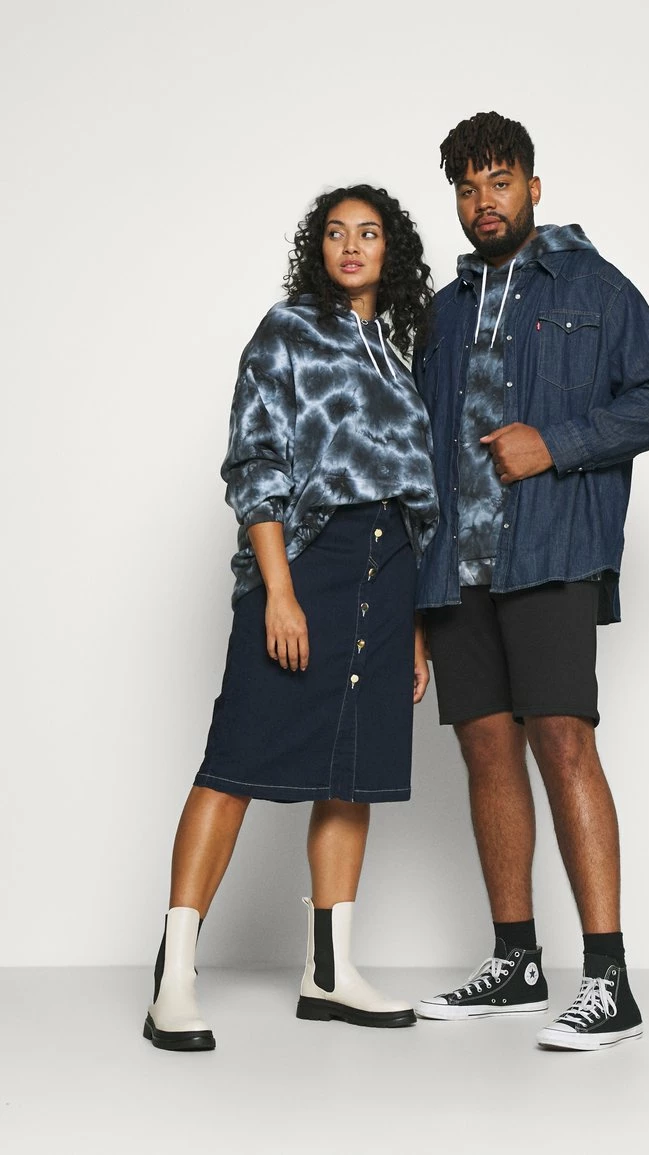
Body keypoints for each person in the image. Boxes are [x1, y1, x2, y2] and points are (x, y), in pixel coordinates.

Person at [413, 112, 649, 1050]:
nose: (483, 202)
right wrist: (414, 599)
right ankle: (516, 963)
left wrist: (557, 444)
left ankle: (609, 980)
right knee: (487, 750)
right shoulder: (442, 312)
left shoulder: (593, 286)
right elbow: (419, 453)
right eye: (467, 188)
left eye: (500, 182)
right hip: (458, 566)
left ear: (533, 188)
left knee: (563, 742)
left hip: (550, 552)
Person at [143, 184, 438, 1051]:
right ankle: (175, 976)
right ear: (319, 248)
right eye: (336, 233)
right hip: (308, 562)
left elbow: (420, 500)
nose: (351, 246)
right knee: (234, 762)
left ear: (390, 252)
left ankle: (330, 972)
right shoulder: (287, 332)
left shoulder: (398, 356)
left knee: (352, 773)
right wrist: (278, 587)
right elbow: (256, 461)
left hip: (388, 574)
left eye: (369, 233)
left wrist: (416, 626)